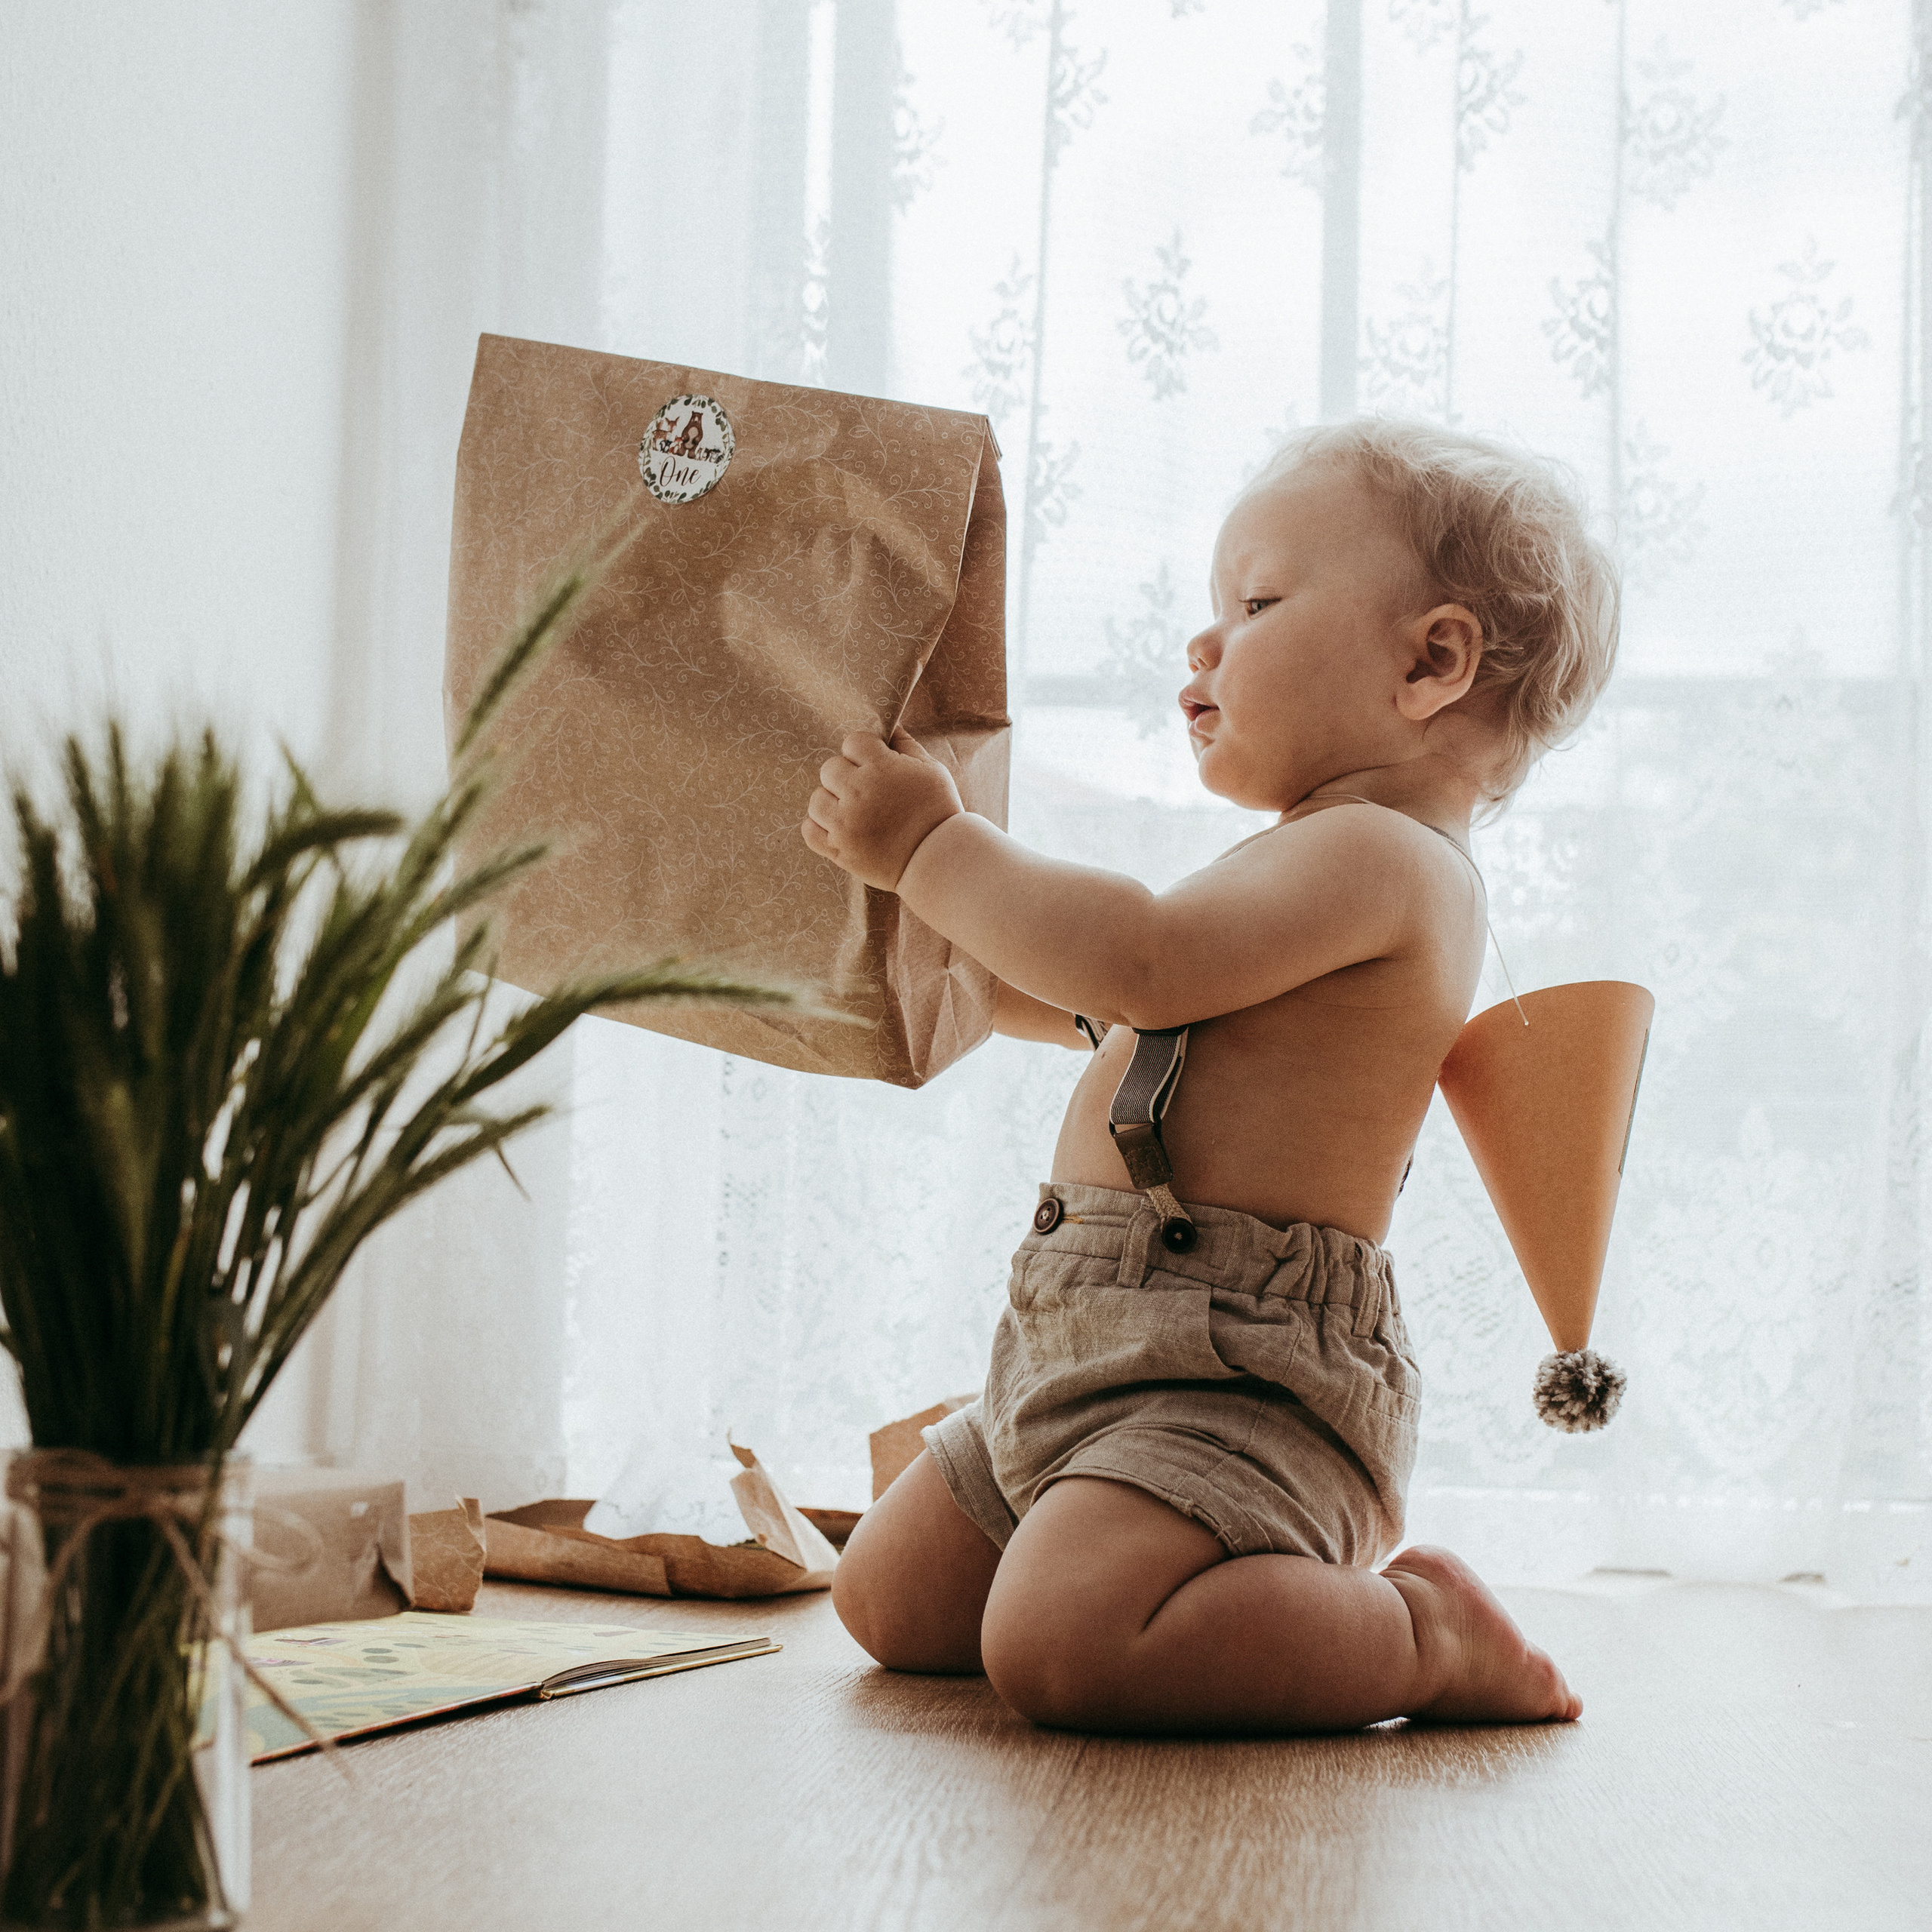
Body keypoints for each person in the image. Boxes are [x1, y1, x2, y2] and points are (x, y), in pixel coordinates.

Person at [801, 418, 1619, 1735]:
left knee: (1063, 1649)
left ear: (1432, 661)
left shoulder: (1389, 860)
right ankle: (1094, 1507)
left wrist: (935, 850)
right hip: (1084, 1335)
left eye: (1257, 602)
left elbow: (1142, 964)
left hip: (1238, 1371)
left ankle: (1423, 1633)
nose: (1206, 642)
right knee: (889, 1604)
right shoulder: (1303, 859)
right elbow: (1111, 1009)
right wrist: (929, 965)